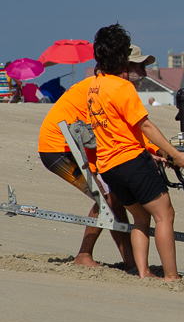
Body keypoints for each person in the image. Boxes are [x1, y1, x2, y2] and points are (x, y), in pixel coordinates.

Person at [88, 23, 184, 281]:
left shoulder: (96, 85)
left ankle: (144, 272)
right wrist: (175, 155)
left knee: (140, 218)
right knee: (164, 215)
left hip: (108, 166)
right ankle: (171, 275)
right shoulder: (122, 87)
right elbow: (145, 125)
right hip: (131, 161)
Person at [37, 69, 136, 269]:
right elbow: (96, 130)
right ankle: (84, 255)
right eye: (139, 68)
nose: (144, 73)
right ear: (124, 69)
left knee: (114, 200)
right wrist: (95, 170)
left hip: (71, 146)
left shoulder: (105, 85)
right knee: (106, 199)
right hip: (58, 149)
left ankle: (131, 262)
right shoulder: (102, 87)